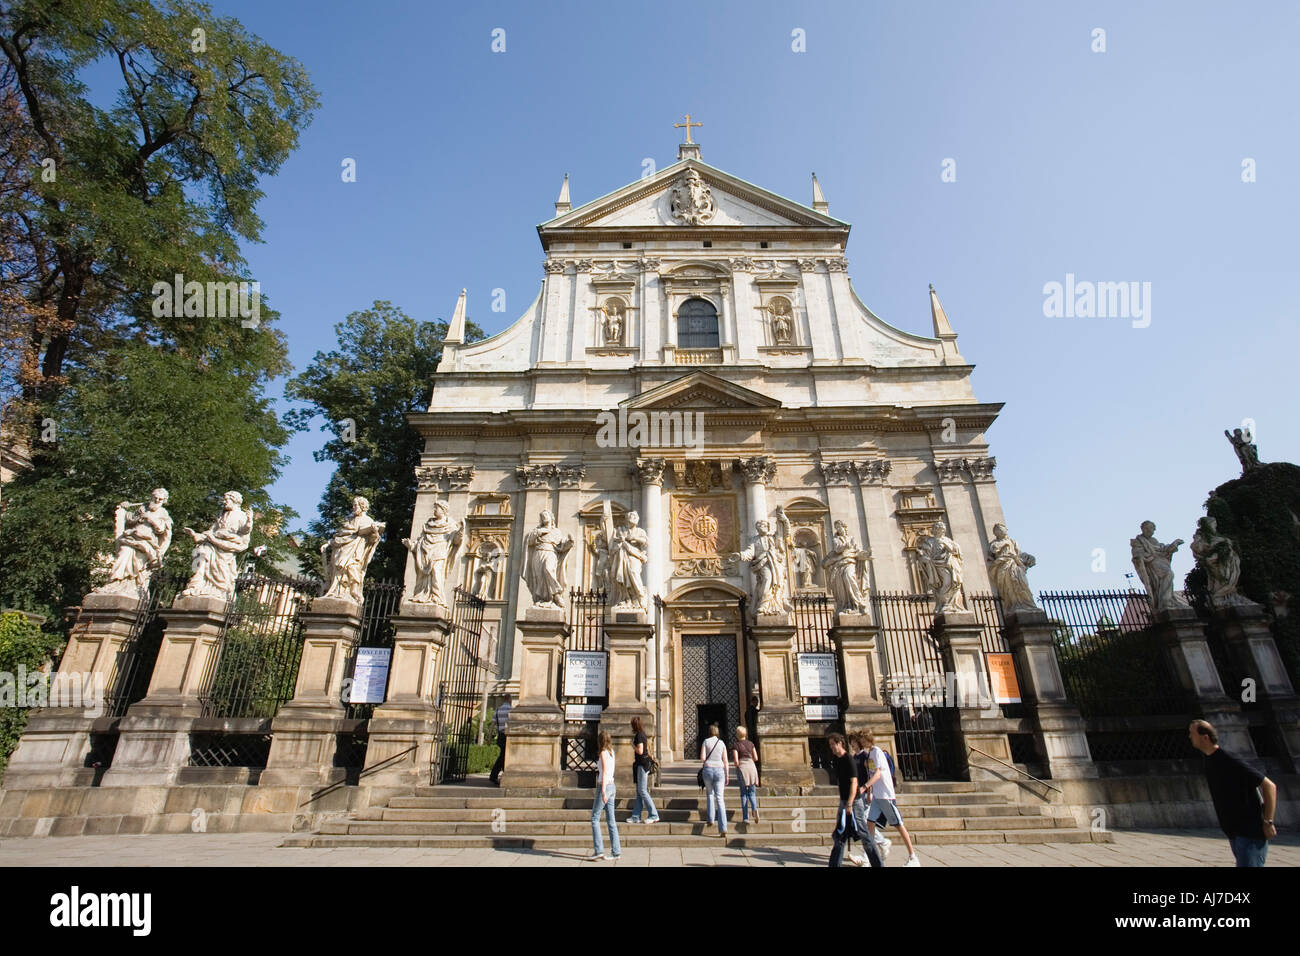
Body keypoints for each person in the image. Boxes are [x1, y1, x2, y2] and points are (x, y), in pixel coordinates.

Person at [1189, 719, 1277, 866]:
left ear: (1205, 737)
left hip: (1250, 832)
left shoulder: (1228, 759)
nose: (1189, 737)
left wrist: (1268, 822)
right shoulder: (1209, 760)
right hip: (1235, 833)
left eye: (1192, 733)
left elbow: (1269, 786)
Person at [862, 729, 920, 866]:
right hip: (877, 796)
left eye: (863, 739)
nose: (862, 742)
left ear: (869, 739)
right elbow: (871, 773)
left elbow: (877, 774)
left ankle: (913, 857)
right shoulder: (870, 753)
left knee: (899, 825)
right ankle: (869, 857)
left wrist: (864, 787)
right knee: (869, 823)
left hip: (886, 796)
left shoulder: (877, 752)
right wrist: (870, 792)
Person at [846, 733, 884, 867]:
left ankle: (866, 857)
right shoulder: (855, 757)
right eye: (851, 742)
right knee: (864, 823)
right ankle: (882, 843)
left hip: (865, 792)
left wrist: (869, 792)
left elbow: (871, 774)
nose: (852, 744)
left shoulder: (866, 756)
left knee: (864, 824)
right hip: (858, 793)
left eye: (854, 742)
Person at [826, 733, 862, 867]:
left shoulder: (849, 759)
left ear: (840, 743)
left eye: (832, 744)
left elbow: (854, 782)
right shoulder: (837, 759)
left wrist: (850, 803)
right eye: (829, 745)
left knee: (865, 836)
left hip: (853, 802)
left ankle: (876, 860)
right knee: (839, 835)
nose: (831, 748)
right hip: (844, 802)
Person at [589, 730, 621, 861]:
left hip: (605, 786)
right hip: (612, 786)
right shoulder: (611, 752)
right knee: (611, 820)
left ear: (600, 740)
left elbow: (605, 772)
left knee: (595, 818)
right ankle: (616, 851)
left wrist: (602, 791)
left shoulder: (602, 753)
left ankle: (599, 850)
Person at [627, 716, 659, 824]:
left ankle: (654, 814)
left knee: (642, 791)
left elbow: (640, 751)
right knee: (639, 792)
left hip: (642, 764)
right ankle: (636, 816)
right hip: (643, 764)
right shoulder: (643, 734)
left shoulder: (639, 736)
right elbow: (646, 750)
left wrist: (632, 745)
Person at [700, 723, 728, 838]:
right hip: (720, 771)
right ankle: (723, 828)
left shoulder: (706, 742)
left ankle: (710, 819)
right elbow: (725, 761)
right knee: (720, 799)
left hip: (708, 770)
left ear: (709, 732)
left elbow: (702, 758)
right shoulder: (721, 743)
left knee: (710, 795)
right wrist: (727, 775)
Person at [733, 726, 760, 824]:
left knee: (744, 793)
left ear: (737, 734)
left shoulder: (736, 745)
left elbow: (736, 761)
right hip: (752, 767)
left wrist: (735, 765)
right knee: (752, 792)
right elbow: (756, 758)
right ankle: (754, 809)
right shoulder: (751, 744)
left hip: (742, 769)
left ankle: (745, 817)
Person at [489, 693, 512, 786]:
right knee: (503, 756)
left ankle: (498, 775)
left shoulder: (498, 710)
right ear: (510, 700)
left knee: (503, 756)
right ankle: (494, 775)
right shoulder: (511, 710)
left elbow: (492, 725)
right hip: (508, 736)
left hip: (500, 736)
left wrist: (489, 737)